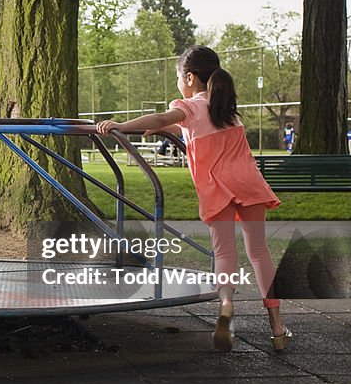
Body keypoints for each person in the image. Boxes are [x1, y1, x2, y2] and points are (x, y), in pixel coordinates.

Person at [96, 46, 292, 352]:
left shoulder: (188, 107)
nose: (178, 82)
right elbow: (189, 125)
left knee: (225, 252)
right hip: (249, 184)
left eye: (178, 76)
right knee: (259, 251)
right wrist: (164, 128)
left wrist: (122, 126)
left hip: (217, 188)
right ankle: (278, 327)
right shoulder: (225, 107)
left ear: (189, 77)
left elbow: (168, 116)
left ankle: (226, 305)